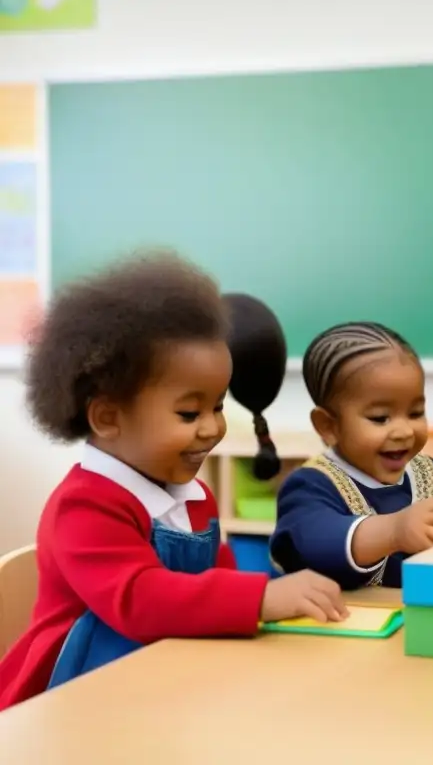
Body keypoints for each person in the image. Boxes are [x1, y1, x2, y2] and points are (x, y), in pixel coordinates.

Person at [0, 252, 347, 712]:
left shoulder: (193, 495)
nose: (212, 428)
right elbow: (140, 600)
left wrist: (271, 599)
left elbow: (218, 576)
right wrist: (261, 597)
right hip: (78, 697)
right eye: (189, 413)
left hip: (167, 677)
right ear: (107, 416)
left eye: (219, 406)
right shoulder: (83, 508)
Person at [270, 322, 433, 589]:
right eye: (380, 418)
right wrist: (395, 532)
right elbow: (317, 542)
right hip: (342, 625)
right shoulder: (309, 486)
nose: (404, 431)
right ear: (328, 426)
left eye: (415, 413)